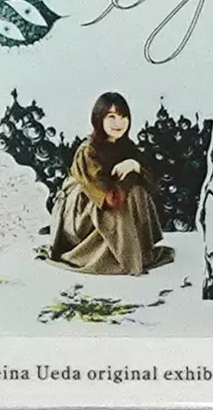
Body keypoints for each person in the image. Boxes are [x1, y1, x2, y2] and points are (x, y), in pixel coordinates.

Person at [47, 92, 174, 275]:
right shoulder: (87, 151)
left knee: (137, 192)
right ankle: (118, 254)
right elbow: (109, 198)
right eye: (111, 117)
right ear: (99, 119)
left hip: (112, 198)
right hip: (84, 210)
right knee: (124, 198)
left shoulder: (126, 146)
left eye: (123, 117)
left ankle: (134, 250)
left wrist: (134, 166)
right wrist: (130, 175)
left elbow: (151, 185)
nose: (118, 123)